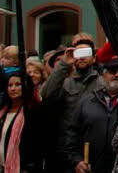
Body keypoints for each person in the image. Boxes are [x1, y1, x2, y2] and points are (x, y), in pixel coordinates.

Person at [41, 34, 102, 163]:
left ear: (94, 58)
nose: (82, 57)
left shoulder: (102, 84)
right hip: (67, 149)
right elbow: (46, 94)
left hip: (94, 149)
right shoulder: (66, 83)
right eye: (78, 53)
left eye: (86, 52)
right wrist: (64, 63)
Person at [63, 58, 118, 173]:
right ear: (104, 75)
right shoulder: (87, 101)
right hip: (90, 168)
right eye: (112, 71)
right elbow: (72, 135)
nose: (117, 75)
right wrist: (77, 161)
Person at [0, 72, 44, 172]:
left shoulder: (33, 112)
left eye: (18, 85)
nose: (13, 89)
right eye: (10, 85)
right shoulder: (0, 113)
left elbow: (37, 146)